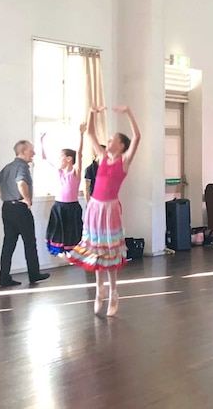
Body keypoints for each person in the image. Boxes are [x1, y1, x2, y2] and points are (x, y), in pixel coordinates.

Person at [68, 106, 141, 316]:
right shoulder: (101, 157)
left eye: (111, 140)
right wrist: (91, 112)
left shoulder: (124, 161)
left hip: (109, 210)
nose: (107, 143)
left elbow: (137, 136)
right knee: (96, 249)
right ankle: (99, 289)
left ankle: (114, 292)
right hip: (95, 207)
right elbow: (90, 133)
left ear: (120, 145)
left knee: (109, 251)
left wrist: (128, 112)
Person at [0, 140, 51, 287]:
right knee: (29, 242)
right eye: (31, 150)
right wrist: (27, 199)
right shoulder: (22, 167)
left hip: (7, 208)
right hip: (20, 209)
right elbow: (21, 183)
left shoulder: (8, 167)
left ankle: (4, 277)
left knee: (8, 244)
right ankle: (34, 274)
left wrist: (4, 197)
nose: (34, 153)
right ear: (23, 152)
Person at [40, 125, 85, 256]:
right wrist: (41, 141)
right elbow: (44, 159)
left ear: (69, 159)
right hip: (59, 206)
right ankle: (60, 250)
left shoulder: (75, 172)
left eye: (61, 157)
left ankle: (73, 252)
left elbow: (80, 154)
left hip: (72, 207)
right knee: (58, 230)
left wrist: (81, 135)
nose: (59, 159)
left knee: (72, 231)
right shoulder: (59, 172)